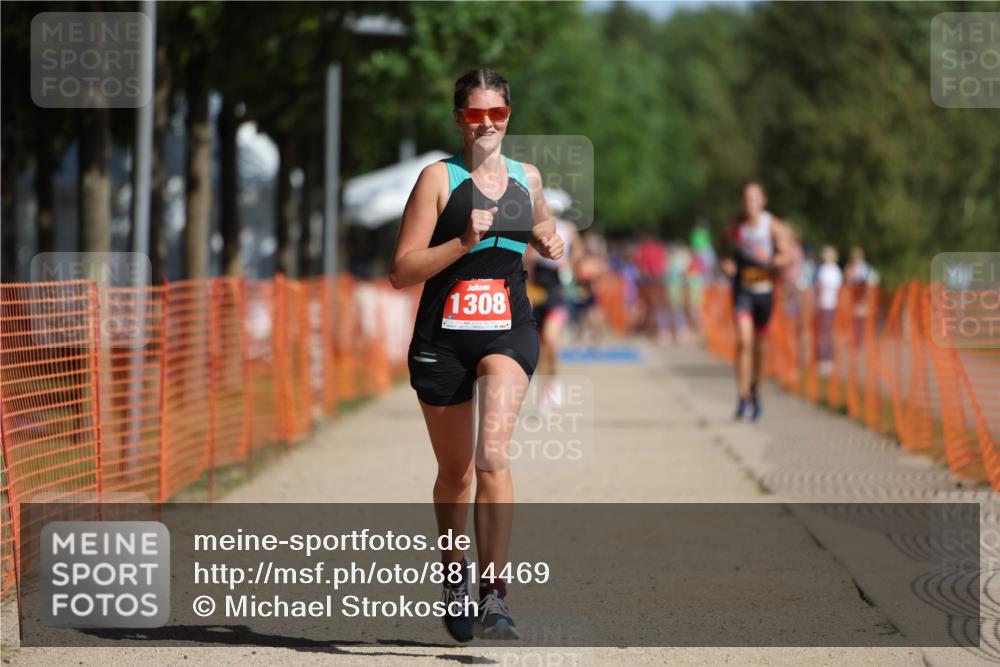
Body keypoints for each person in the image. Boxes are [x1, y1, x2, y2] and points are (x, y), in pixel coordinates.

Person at [389, 68, 563, 642]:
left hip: (507, 330)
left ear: (509, 116)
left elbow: (541, 224)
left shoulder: (526, 176)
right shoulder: (438, 179)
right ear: (458, 117)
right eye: (474, 113)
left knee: (492, 454)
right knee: (455, 473)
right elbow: (401, 271)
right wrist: (462, 240)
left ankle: (495, 592)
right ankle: (454, 575)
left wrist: (549, 238)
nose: (486, 123)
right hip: (442, 339)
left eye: (497, 113)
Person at [720, 181, 793, 421]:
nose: (750, 203)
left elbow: (788, 256)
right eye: (746, 199)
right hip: (742, 290)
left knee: (760, 347)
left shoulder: (772, 226)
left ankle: (756, 390)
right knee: (744, 340)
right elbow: (722, 248)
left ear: (763, 201)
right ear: (742, 202)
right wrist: (726, 263)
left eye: (755, 199)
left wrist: (770, 260)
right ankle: (742, 396)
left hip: (765, 291)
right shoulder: (735, 225)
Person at [525, 190, 581, 410]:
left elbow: (578, 253)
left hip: (558, 292)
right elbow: (525, 259)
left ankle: (553, 384)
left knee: (551, 339)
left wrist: (569, 265)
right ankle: (547, 390)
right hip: (539, 291)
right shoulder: (535, 231)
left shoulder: (568, 229)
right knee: (541, 348)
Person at [814, 245, 843, 377]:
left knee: (828, 333)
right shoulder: (823, 269)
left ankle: (828, 359)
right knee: (822, 333)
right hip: (822, 305)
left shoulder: (834, 270)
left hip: (830, 305)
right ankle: (822, 358)